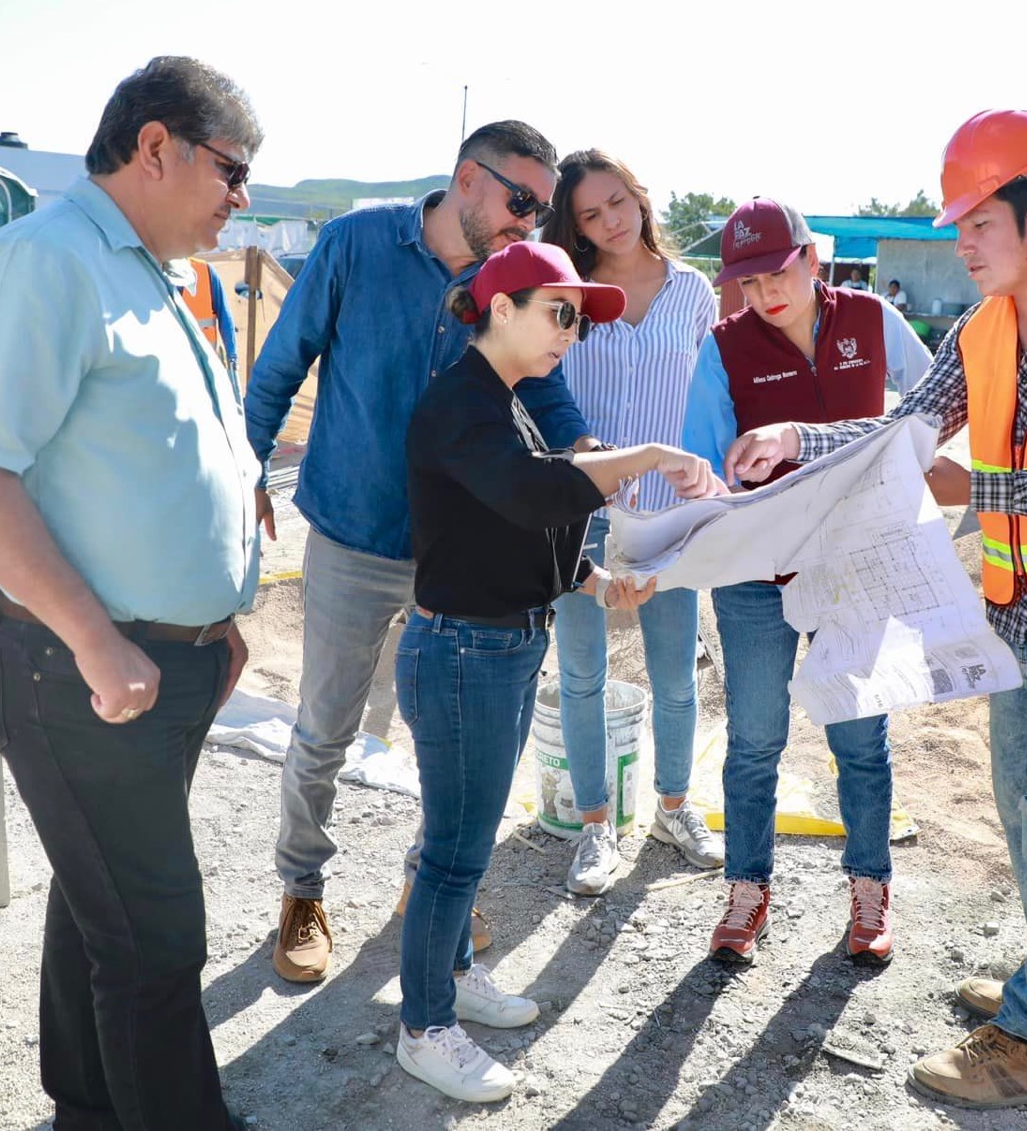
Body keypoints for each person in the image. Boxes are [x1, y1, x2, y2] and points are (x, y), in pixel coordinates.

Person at [724, 110, 1027, 1110]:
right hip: (1023, 615)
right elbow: (907, 431)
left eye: (978, 223)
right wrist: (796, 441)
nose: (962, 245)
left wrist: (967, 491)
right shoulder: (986, 328)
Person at [0, 57, 264, 1131]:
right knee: (157, 939)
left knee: (101, 898)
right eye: (232, 169)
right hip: (79, 669)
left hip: (163, 661)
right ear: (155, 146)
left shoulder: (150, 269)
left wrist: (220, 615)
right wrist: (96, 640)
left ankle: (87, 1103)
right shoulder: (45, 265)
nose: (242, 197)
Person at [245, 121, 594, 983]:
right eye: (520, 200)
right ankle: (301, 891)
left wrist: (592, 467)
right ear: (466, 180)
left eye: (542, 209)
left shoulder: (504, 279)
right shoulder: (357, 243)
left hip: (463, 557)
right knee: (326, 728)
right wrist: (244, 465)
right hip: (354, 538)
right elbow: (283, 359)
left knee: (448, 742)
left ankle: (426, 889)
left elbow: (547, 390)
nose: (531, 220)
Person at [394, 240, 723, 1102]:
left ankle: (452, 977)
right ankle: (424, 1026)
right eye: (559, 314)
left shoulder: (504, 402)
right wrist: (648, 456)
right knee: (454, 854)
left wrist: (591, 578)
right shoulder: (462, 403)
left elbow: (518, 521)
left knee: (459, 839)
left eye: (578, 320)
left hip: (497, 643)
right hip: (464, 647)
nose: (571, 335)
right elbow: (535, 494)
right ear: (500, 307)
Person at [683, 197, 931, 967]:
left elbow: (933, 408)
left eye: (778, 274)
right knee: (755, 741)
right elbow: (700, 461)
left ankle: (868, 891)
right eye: (748, 283)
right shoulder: (721, 347)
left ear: (812, 260)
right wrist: (707, 496)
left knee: (861, 738)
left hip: (854, 567)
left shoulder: (874, 321)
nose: (765, 295)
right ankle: (747, 892)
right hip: (757, 573)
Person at [542, 149, 722, 896]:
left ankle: (674, 809)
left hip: (670, 514)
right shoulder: (567, 297)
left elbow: (711, 396)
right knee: (582, 673)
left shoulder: (694, 293)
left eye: (618, 200)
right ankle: (594, 827)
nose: (611, 220)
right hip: (578, 507)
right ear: (575, 225)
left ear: (639, 197)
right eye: (591, 212)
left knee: (677, 676)